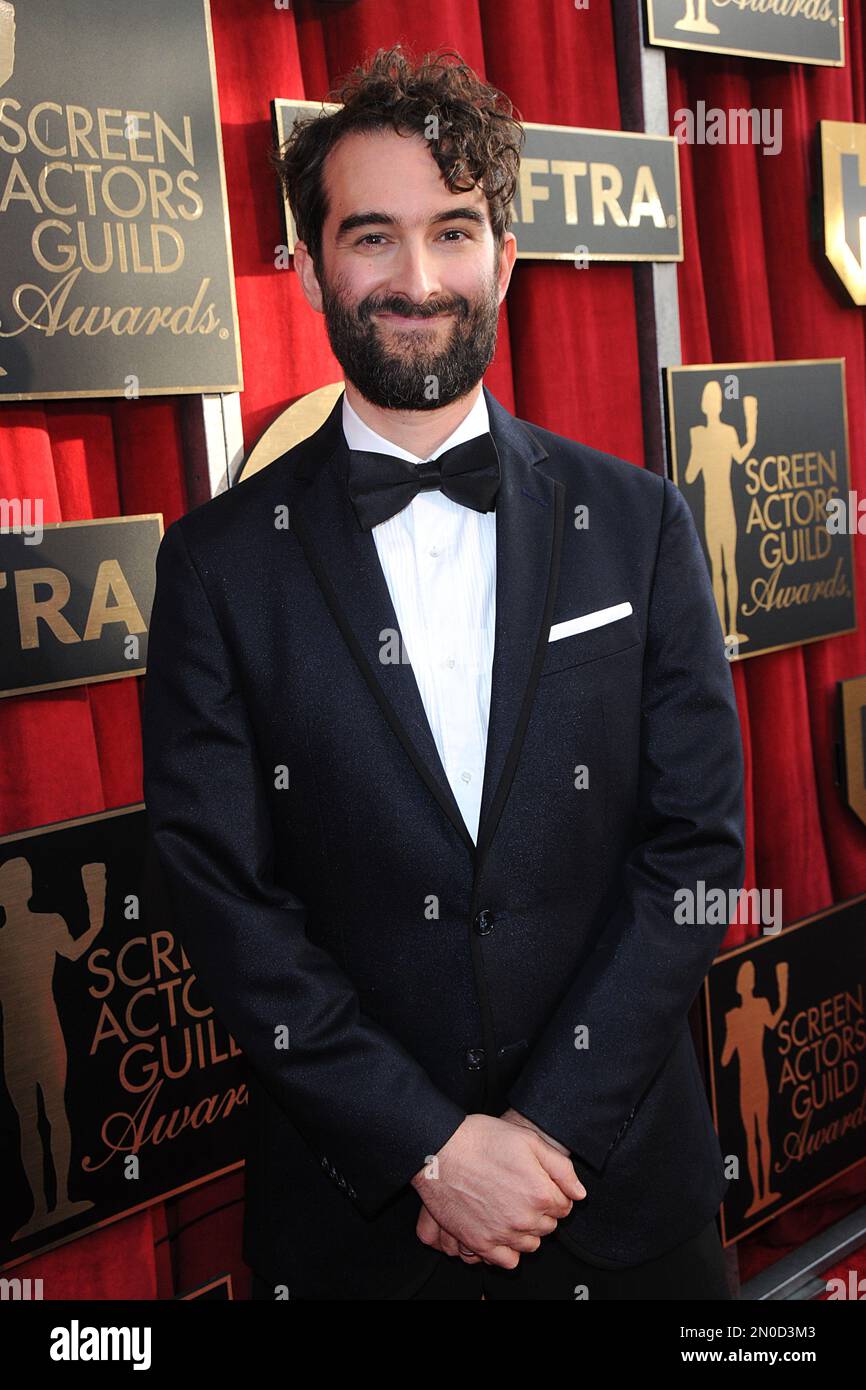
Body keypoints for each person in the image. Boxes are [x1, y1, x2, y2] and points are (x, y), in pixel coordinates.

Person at [141, 44, 745, 1301]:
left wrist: (538, 1134)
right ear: (307, 266)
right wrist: (426, 1145)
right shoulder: (211, 568)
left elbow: (695, 849)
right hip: (355, 1233)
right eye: (371, 236)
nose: (417, 281)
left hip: (623, 1204)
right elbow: (225, 900)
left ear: (505, 256)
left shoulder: (636, 521)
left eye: (453, 231)